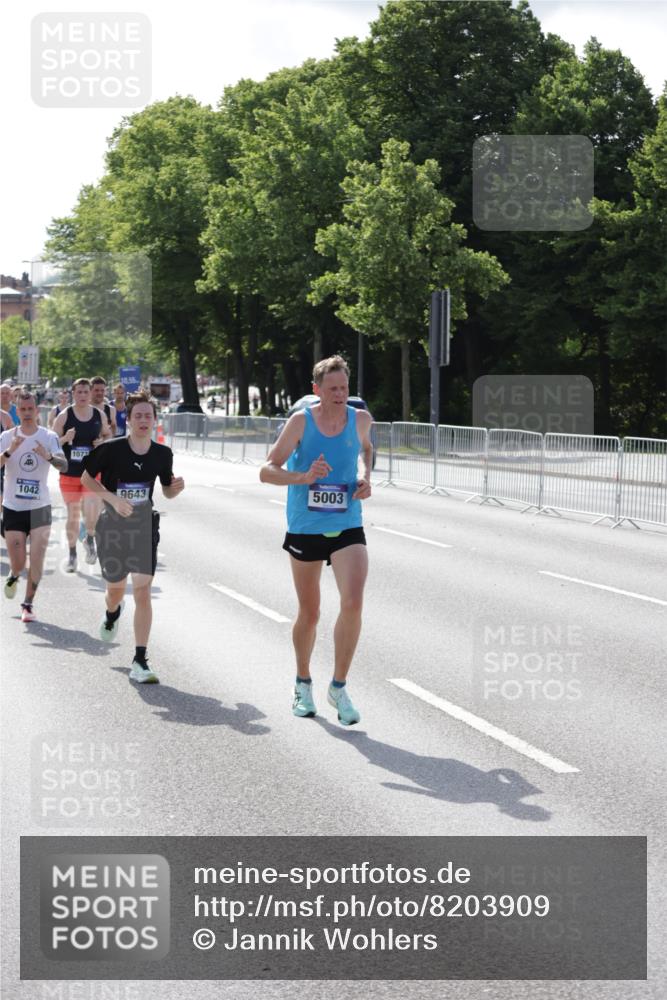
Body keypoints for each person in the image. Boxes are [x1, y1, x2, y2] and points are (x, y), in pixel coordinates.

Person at [259, 355, 373, 725]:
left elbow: (367, 451)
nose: (340, 394)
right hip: (306, 526)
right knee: (310, 612)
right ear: (317, 390)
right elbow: (267, 470)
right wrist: (304, 477)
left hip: (347, 522)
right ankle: (303, 682)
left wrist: (365, 478)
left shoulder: (360, 420)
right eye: (333, 388)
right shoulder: (300, 422)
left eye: (344, 387)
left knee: (353, 602)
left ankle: (338, 687)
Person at [81, 390, 185, 684]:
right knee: (115, 591)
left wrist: (174, 488)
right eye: (137, 415)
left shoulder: (162, 453)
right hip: (112, 526)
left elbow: (165, 490)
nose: (143, 420)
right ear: (129, 418)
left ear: (154, 420)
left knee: (142, 590)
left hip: (143, 527)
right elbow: (86, 478)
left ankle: (140, 659)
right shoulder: (112, 449)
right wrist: (112, 499)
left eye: (148, 416)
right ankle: (112, 613)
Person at [1, 391, 67, 622]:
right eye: (23, 409)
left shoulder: (48, 437)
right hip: (13, 507)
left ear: (37, 411)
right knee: (19, 562)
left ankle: (27, 604)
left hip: (40, 506)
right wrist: (10, 451)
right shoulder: (8, 436)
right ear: (16, 412)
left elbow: (64, 465)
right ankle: (15, 572)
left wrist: (48, 456)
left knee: (37, 557)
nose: (27, 413)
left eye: (31, 409)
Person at [53, 378, 111, 572]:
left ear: (90, 393)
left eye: (86, 392)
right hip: (69, 473)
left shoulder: (99, 414)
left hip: (92, 474)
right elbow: (52, 444)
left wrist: (102, 441)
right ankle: (72, 555)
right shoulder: (64, 416)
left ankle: (90, 537)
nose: (83, 395)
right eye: (79, 392)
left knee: (92, 513)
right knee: (73, 515)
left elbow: (108, 434)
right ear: (73, 393)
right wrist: (65, 438)